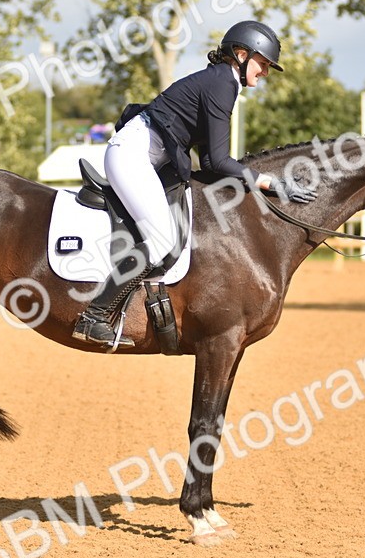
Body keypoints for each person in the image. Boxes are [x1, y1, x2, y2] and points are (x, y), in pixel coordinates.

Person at [73, 20, 318, 348]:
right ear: (241, 55)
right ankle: (95, 315)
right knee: (160, 239)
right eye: (263, 64)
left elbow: (208, 162)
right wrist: (271, 183)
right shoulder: (222, 84)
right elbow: (218, 161)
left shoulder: (221, 81)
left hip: (147, 156)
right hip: (132, 155)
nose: (265, 73)